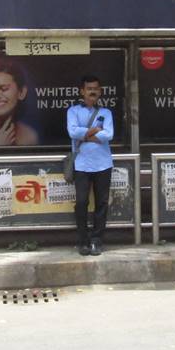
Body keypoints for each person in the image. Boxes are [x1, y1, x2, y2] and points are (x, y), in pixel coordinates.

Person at [66, 74, 113, 256]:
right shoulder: (73, 111)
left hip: (103, 164)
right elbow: (72, 132)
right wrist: (94, 132)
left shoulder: (106, 113)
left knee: (102, 203)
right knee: (81, 202)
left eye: (95, 89)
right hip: (81, 164)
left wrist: (84, 134)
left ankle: (96, 241)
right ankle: (83, 241)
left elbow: (108, 135)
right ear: (82, 91)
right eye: (89, 88)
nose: (92, 91)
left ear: (100, 92)